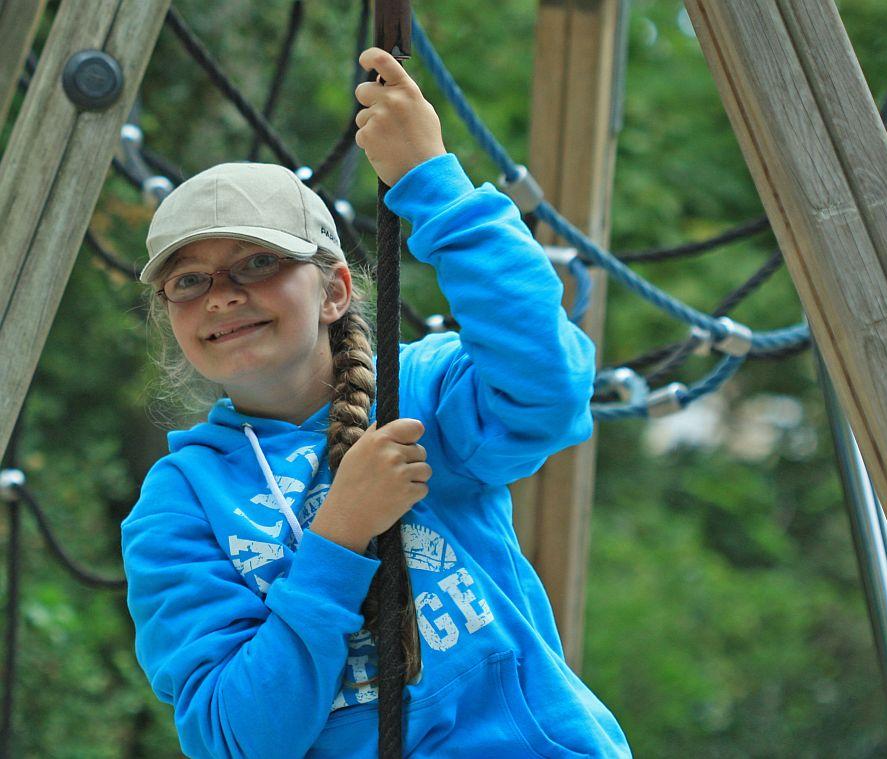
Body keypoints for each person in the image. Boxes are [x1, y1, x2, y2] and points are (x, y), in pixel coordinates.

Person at [121, 47, 631, 758]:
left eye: (258, 262)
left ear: (334, 290)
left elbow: (547, 386)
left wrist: (432, 183)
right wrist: (340, 533)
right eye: (188, 281)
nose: (222, 296)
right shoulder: (179, 504)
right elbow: (237, 736)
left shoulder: (418, 391)